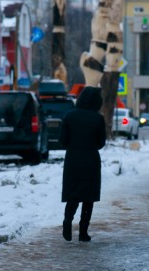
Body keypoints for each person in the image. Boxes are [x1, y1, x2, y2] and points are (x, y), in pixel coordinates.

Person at [59, 86, 106, 242]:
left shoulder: (69, 116)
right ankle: (83, 232)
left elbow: (62, 141)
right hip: (91, 160)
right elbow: (101, 143)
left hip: (72, 159)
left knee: (73, 193)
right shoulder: (98, 118)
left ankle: (67, 220)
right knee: (88, 196)